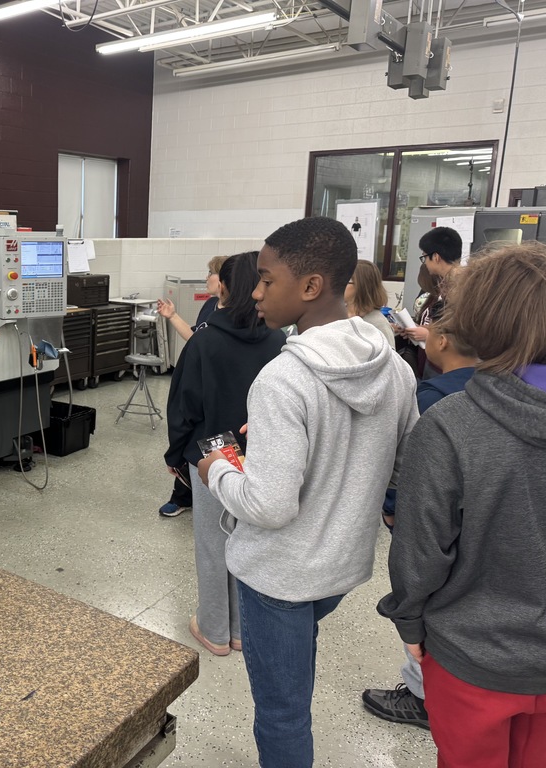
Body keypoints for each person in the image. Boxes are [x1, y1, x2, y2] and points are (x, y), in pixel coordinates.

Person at [197, 216, 418, 768]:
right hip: (340, 567)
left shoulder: (282, 379)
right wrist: (281, 446)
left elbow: (270, 506)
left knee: (282, 712)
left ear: (312, 286)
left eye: (267, 280)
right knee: (293, 661)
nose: (255, 292)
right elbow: (401, 465)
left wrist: (215, 472)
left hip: (281, 575)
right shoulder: (393, 368)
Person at [378, 242, 546, 768]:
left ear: (479, 320)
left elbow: (421, 548)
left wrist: (409, 621)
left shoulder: (451, 424)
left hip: (470, 658)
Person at [164, 252, 285, 656]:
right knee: (248, 540)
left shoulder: (205, 341)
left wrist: (175, 454)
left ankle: (215, 629)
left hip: (213, 450)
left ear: (227, 289)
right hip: (260, 448)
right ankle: (240, 628)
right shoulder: (278, 340)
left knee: (214, 539)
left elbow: (184, 404)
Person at [361, 314, 477, 728]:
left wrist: (391, 505)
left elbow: (411, 469)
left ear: (442, 342)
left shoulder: (434, 400)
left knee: (429, 596)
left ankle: (421, 694)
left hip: (435, 528)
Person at [154, 254, 228, 518]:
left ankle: (219, 502)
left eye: (211, 272)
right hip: (200, 385)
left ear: (226, 280)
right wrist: (172, 316)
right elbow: (196, 338)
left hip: (221, 393)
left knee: (216, 443)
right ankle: (183, 495)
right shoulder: (210, 305)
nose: (207, 277)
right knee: (189, 439)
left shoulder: (242, 316)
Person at [400, 226, 462, 378]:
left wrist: (428, 335)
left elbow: (462, 333)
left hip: (448, 367)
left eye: (424, 257)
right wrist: (420, 329)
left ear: (436, 257)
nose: (424, 263)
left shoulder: (459, 288)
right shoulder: (447, 284)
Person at [345, 260, 395, 348]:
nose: (339, 285)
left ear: (362, 286)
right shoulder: (337, 315)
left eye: (347, 280)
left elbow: (390, 359)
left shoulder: (378, 324)